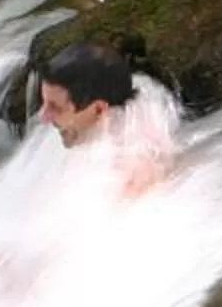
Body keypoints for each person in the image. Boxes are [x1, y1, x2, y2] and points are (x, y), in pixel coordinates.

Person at [36, 41, 174, 193]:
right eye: (44, 103)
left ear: (99, 110)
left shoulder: (135, 176)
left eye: (55, 107)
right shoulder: (114, 143)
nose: (43, 116)